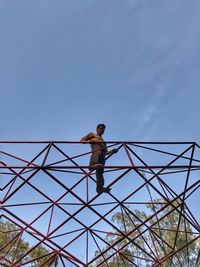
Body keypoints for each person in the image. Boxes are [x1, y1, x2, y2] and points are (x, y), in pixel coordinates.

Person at [80, 124, 116, 194]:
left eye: (103, 129)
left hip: (102, 155)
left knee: (100, 172)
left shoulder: (104, 142)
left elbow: (106, 153)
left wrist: (112, 151)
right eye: (100, 128)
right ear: (97, 129)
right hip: (96, 149)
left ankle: (100, 188)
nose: (101, 130)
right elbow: (82, 140)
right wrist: (89, 141)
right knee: (97, 152)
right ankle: (92, 166)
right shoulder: (92, 134)